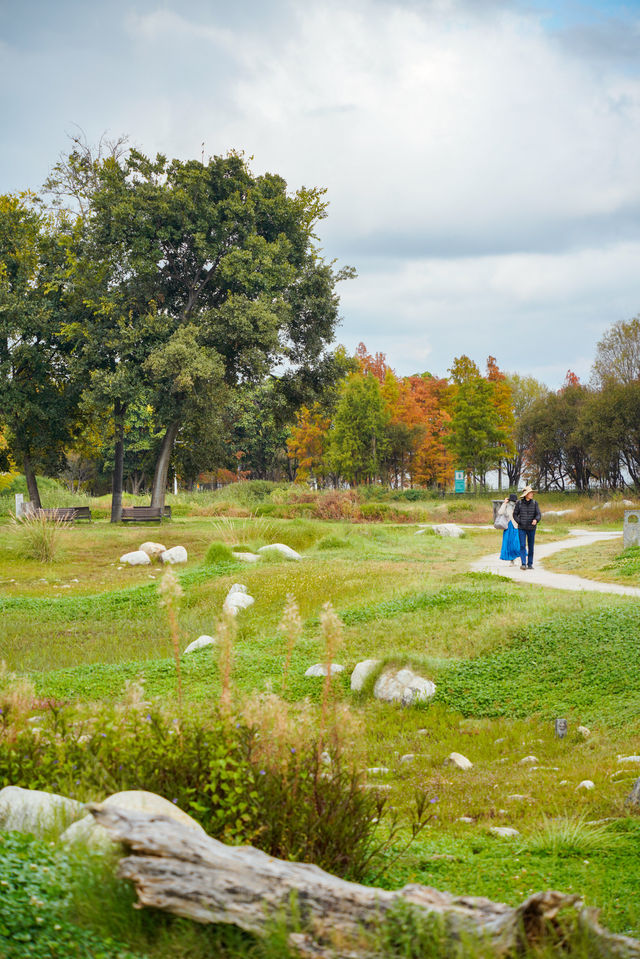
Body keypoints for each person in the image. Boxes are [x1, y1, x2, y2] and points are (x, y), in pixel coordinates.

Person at [513, 485, 541, 570]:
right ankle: (523, 564)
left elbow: (538, 514)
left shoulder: (535, 503)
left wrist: (536, 520)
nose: (532, 494)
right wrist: (519, 521)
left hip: (532, 528)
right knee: (522, 545)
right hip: (522, 528)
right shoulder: (519, 503)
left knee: (531, 546)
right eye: (530, 493)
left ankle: (530, 563)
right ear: (526, 494)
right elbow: (514, 514)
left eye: (532, 493)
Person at [497, 493, 520, 564]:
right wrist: (504, 503)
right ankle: (511, 560)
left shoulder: (518, 506)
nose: (512, 502)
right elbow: (500, 512)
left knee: (516, 543)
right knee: (508, 543)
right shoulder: (506, 505)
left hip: (516, 526)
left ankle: (518, 556)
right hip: (508, 526)